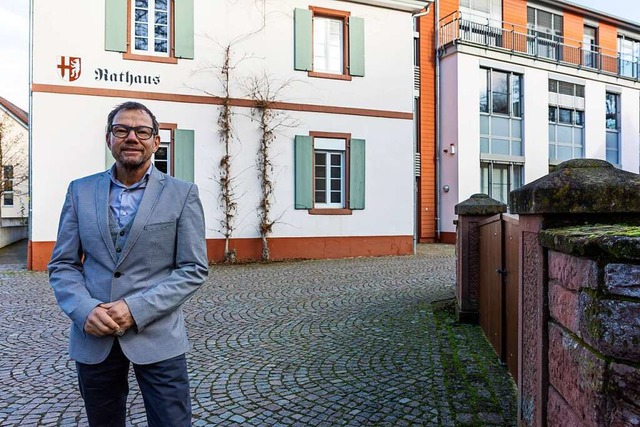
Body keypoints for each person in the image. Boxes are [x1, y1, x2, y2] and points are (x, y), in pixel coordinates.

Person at [48, 101, 209, 427]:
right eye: (121, 130)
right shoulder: (80, 191)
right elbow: (63, 264)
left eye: (142, 131)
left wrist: (136, 309)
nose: (131, 137)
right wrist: (84, 310)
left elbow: (193, 268)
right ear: (109, 139)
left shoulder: (182, 194)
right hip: (94, 336)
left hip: (158, 335)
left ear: (156, 141)